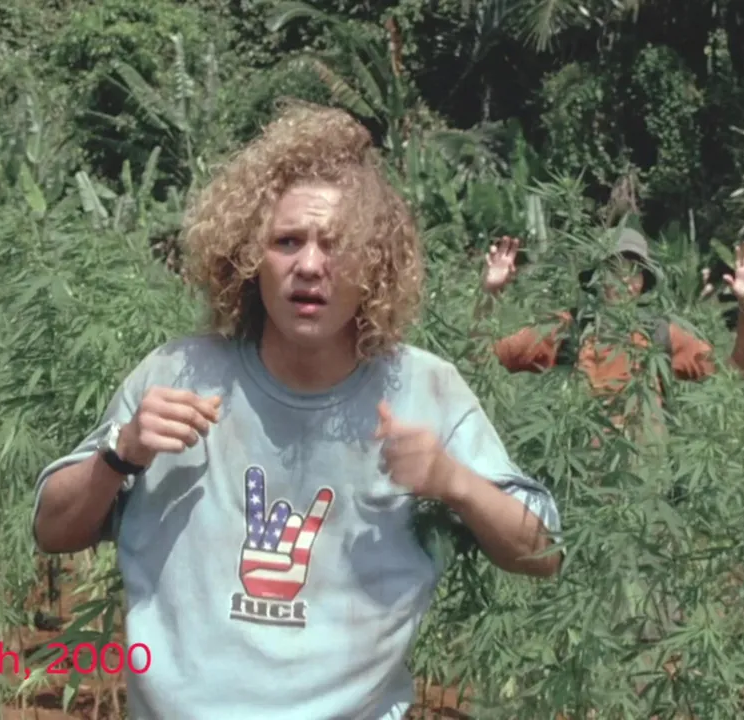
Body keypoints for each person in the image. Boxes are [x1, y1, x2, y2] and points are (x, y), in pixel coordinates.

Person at [30, 101, 562, 719]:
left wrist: (454, 481)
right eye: (287, 241)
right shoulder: (177, 374)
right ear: (248, 257)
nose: (310, 265)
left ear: (375, 264)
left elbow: (543, 551)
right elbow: (53, 530)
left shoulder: (425, 390)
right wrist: (121, 453)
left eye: (336, 244)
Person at [478, 229, 744, 395]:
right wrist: (489, 293)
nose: (623, 279)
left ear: (643, 282)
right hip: (578, 486)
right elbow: (483, 358)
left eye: (633, 270)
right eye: (613, 268)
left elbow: (738, 376)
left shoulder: (660, 335)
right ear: (596, 276)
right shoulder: (567, 329)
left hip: (644, 484)